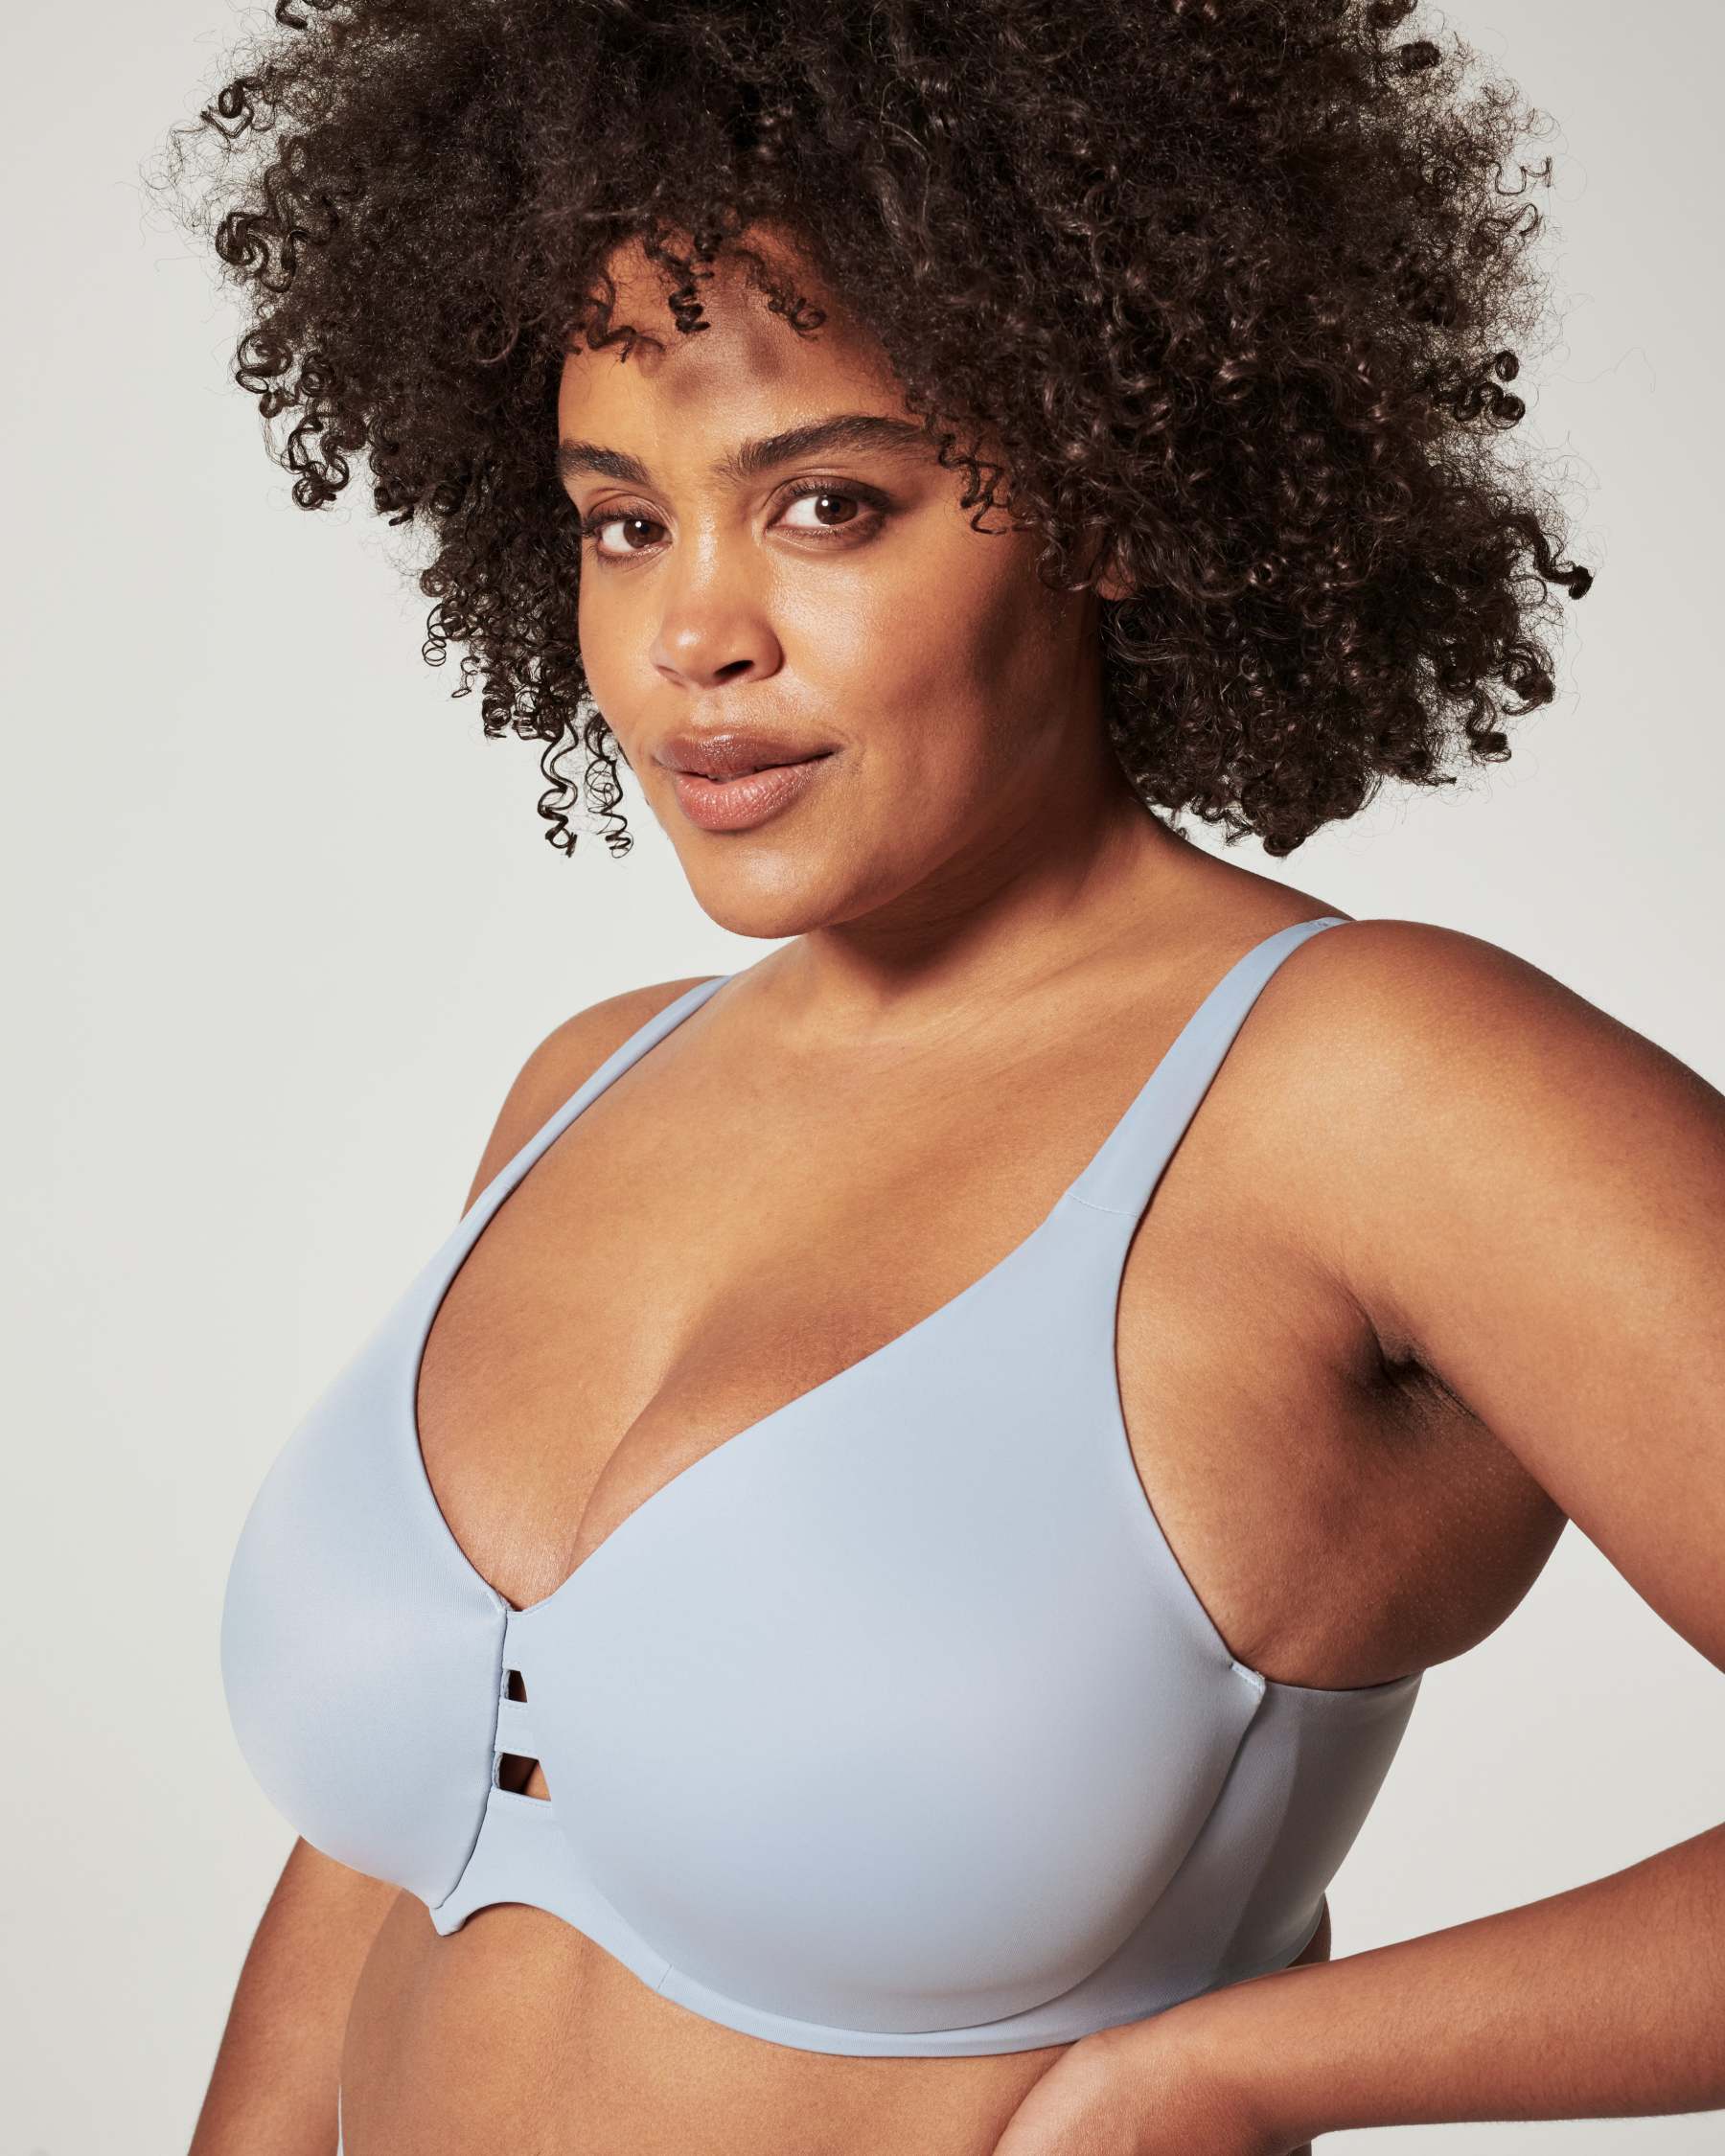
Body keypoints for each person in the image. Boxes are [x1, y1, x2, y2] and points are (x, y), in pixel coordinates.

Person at [165, 4, 1725, 2152]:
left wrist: (1219, 2076)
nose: (693, 638)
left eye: (825, 505)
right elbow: (388, 1854)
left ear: (1099, 496)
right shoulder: (584, 1089)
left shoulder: (1371, 1089)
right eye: (622, 523)